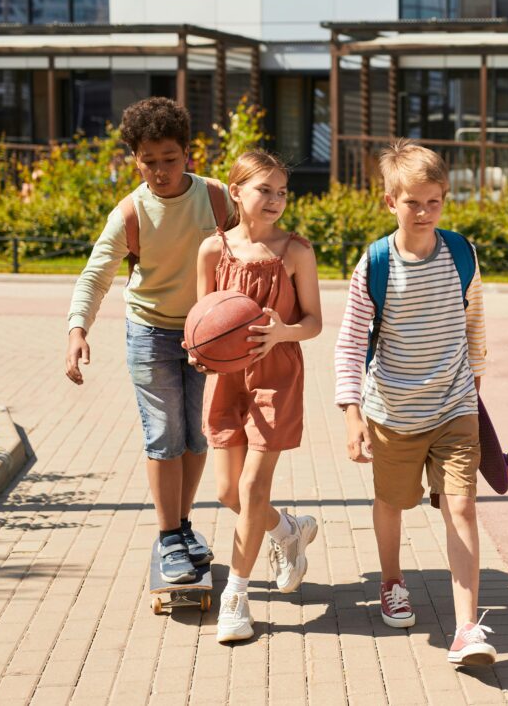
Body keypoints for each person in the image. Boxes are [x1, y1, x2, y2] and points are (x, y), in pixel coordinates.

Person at [334, 139, 496, 666]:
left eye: (434, 201)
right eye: (413, 203)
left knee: (463, 506)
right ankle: (391, 580)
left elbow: (473, 319)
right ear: (390, 202)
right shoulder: (375, 264)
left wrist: (474, 381)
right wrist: (352, 412)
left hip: (454, 406)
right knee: (393, 503)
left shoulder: (460, 252)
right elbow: (352, 340)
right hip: (393, 413)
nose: (424, 212)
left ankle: (467, 627)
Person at [65, 97, 231, 584]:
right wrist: (78, 329)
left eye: (170, 159)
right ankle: (167, 538)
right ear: (135, 159)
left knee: (196, 436)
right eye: (149, 161)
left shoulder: (219, 200)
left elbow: (250, 250)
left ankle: (182, 526)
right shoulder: (130, 212)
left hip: (206, 335)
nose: (160, 171)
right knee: (164, 435)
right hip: (150, 331)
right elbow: (96, 276)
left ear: (188, 155)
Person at [190, 150, 322, 644]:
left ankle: (236, 597)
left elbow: (313, 322)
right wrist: (198, 352)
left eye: (282, 191)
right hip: (226, 381)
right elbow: (201, 318)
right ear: (236, 191)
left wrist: (282, 332)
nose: (274, 200)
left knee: (250, 489)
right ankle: (288, 528)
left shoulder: (296, 252)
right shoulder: (212, 250)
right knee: (229, 492)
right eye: (264, 189)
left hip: (276, 377)